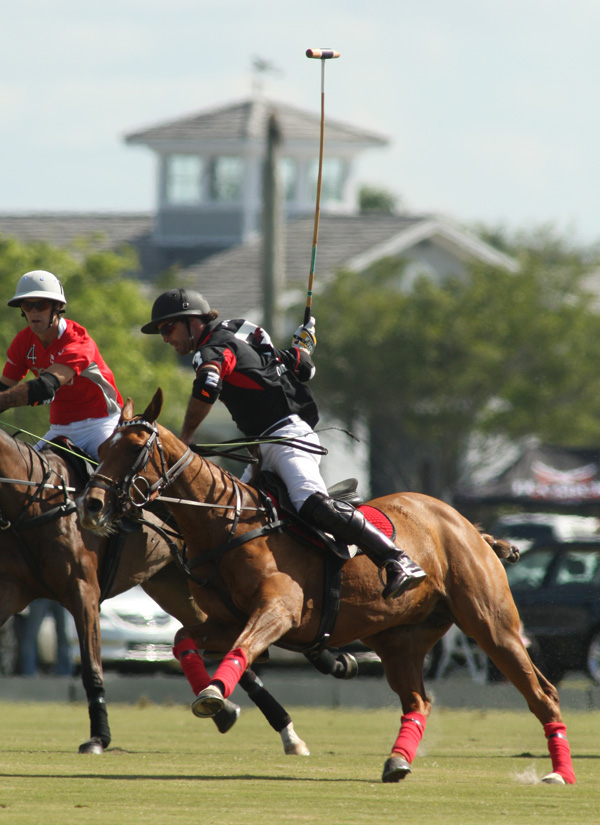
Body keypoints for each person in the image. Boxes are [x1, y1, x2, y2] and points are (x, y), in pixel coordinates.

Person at [141, 288, 426, 600]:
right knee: (229, 518)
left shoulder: (210, 349)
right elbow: (301, 368)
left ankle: (397, 559)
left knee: (309, 502)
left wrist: (186, 439)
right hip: (265, 449)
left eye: (168, 328)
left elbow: (208, 385)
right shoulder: (239, 331)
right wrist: (303, 348)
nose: (165, 338)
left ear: (193, 322)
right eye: (161, 332)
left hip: (287, 437)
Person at [0, 270, 123, 460]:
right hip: (59, 430)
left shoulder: (78, 341)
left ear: (57, 307)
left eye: (41, 305)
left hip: (100, 425)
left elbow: (45, 388)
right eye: (27, 305)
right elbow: (4, 387)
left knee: (115, 481)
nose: (33, 312)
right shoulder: (23, 341)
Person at [18, 599, 73, 677]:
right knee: (31, 635)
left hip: (60, 595)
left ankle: (65, 673)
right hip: (42, 594)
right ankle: (28, 673)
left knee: (64, 634)